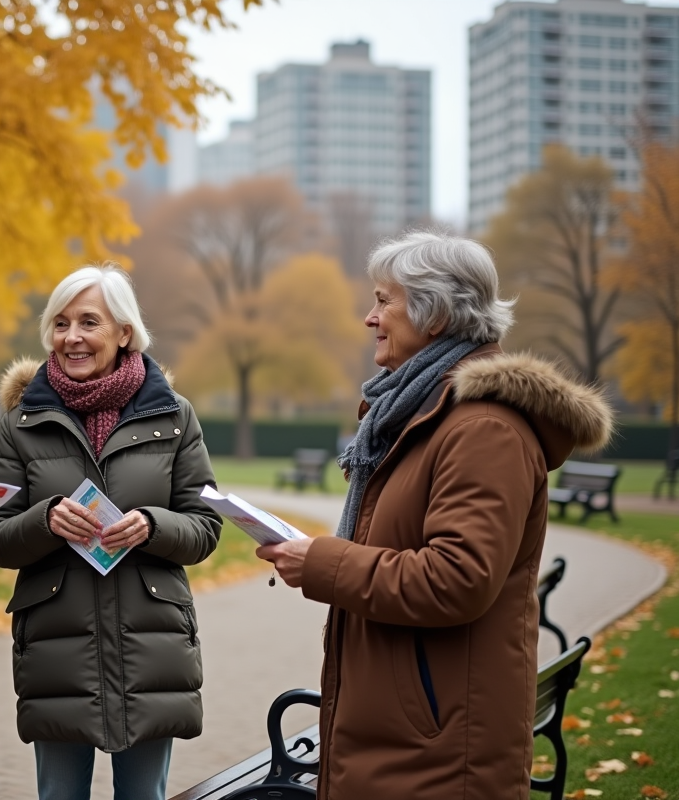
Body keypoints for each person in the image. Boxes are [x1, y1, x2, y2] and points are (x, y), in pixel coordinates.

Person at [257, 231, 614, 800]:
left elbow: (456, 579)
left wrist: (323, 562)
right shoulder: (424, 413)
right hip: (409, 734)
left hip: (440, 749)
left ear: (437, 313)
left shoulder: (482, 429)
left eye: (383, 300)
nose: (369, 318)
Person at [0, 264, 221, 800]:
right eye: (61, 323)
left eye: (89, 322)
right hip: (56, 650)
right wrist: (46, 520)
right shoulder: (22, 423)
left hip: (151, 645)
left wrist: (152, 526)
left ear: (124, 333)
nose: (72, 337)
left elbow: (206, 527)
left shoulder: (175, 418)